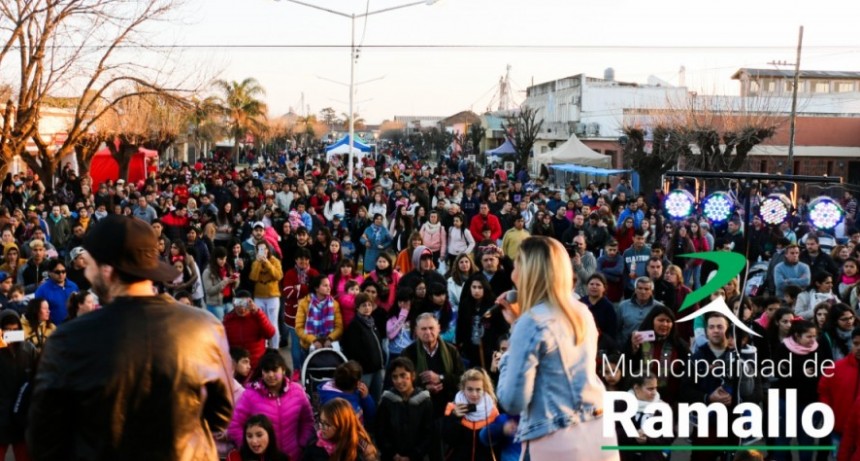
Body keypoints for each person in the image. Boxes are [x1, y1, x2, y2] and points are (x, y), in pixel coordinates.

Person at [27, 214, 234, 459]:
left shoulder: (67, 341)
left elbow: (44, 438)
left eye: (89, 264)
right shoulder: (206, 327)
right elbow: (221, 415)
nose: (87, 272)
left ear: (107, 271)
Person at [496, 236, 618, 460]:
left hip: (557, 438)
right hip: (598, 430)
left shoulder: (531, 322)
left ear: (528, 273)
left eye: (516, 267)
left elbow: (513, 401)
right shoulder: (581, 311)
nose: (512, 275)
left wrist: (510, 349)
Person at [229, 350, 315, 461]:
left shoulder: (297, 391)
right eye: (266, 370)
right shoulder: (250, 395)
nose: (270, 375)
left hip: (294, 456)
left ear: (283, 370)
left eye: (274, 370)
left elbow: (308, 421)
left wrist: (302, 443)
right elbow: (235, 425)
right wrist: (249, 448)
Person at [376, 357, 434, 461]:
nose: (398, 381)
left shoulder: (424, 401)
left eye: (403, 375)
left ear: (413, 376)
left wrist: (412, 456)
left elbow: (428, 434)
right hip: (391, 457)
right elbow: (380, 432)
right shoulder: (387, 400)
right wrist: (393, 454)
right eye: (394, 377)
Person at [0, 310, 38, 461]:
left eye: (14, 330)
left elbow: (38, 375)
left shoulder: (28, 349)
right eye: (7, 330)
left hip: (22, 415)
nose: (11, 333)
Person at [443, 368, 501, 461]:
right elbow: (449, 440)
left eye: (478, 390)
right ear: (463, 389)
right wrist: (454, 418)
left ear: (484, 389)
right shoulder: (452, 408)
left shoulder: (492, 411)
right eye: (470, 389)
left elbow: (497, 445)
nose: (474, 394)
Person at [819, 326, 860, 457]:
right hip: (838, 428)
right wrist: (828, 412)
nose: (859, 348)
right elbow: (824, 390)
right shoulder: (836, 368)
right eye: (856, 343)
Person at [340, 293, 386, 404]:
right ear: (357, 308)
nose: (367, 308)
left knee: (376, 398)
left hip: (378, 369)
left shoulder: (372, 323)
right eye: (363, 305)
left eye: (369, 305)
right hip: (365, 372)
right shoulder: (354, 326)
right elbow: (352, 350)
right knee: (363, 399)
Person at [303, 397, 379, 461]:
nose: (321, 427)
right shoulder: (314, 444)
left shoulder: (359, 449)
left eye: (327, 424)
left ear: (342, 426)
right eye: (321, 422)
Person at [223, 290, 276, 370]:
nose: (242, 309)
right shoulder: (228, 320)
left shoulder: (257, 317)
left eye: (245, 304)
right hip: (237, 367)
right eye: (239, 304)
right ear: (234, 304)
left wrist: (258, 313)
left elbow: (270, 334)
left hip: (256, 365)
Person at [295, 275, 344, 360]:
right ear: (316, 288)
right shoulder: (304, 303)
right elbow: (299, 328)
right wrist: (313, 340)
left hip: (329, 346)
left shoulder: (334, 304)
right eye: (325, 285)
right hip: (309, 346)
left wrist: (330, 339)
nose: (329, 288)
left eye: (329, 285)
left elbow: (339, 327)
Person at [249, 241, 283, 349]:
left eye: (264, 249)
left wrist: (267, 263)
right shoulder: (255, 262)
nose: (263, 251)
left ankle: (275, 347)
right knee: (260, 323)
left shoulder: (275, 261)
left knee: (273, 323)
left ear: (268, 249)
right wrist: (259, 262)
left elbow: (278, 276)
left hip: (272, 295)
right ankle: (263, 347)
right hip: (259, 296)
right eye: (260, 249)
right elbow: (253, 277)